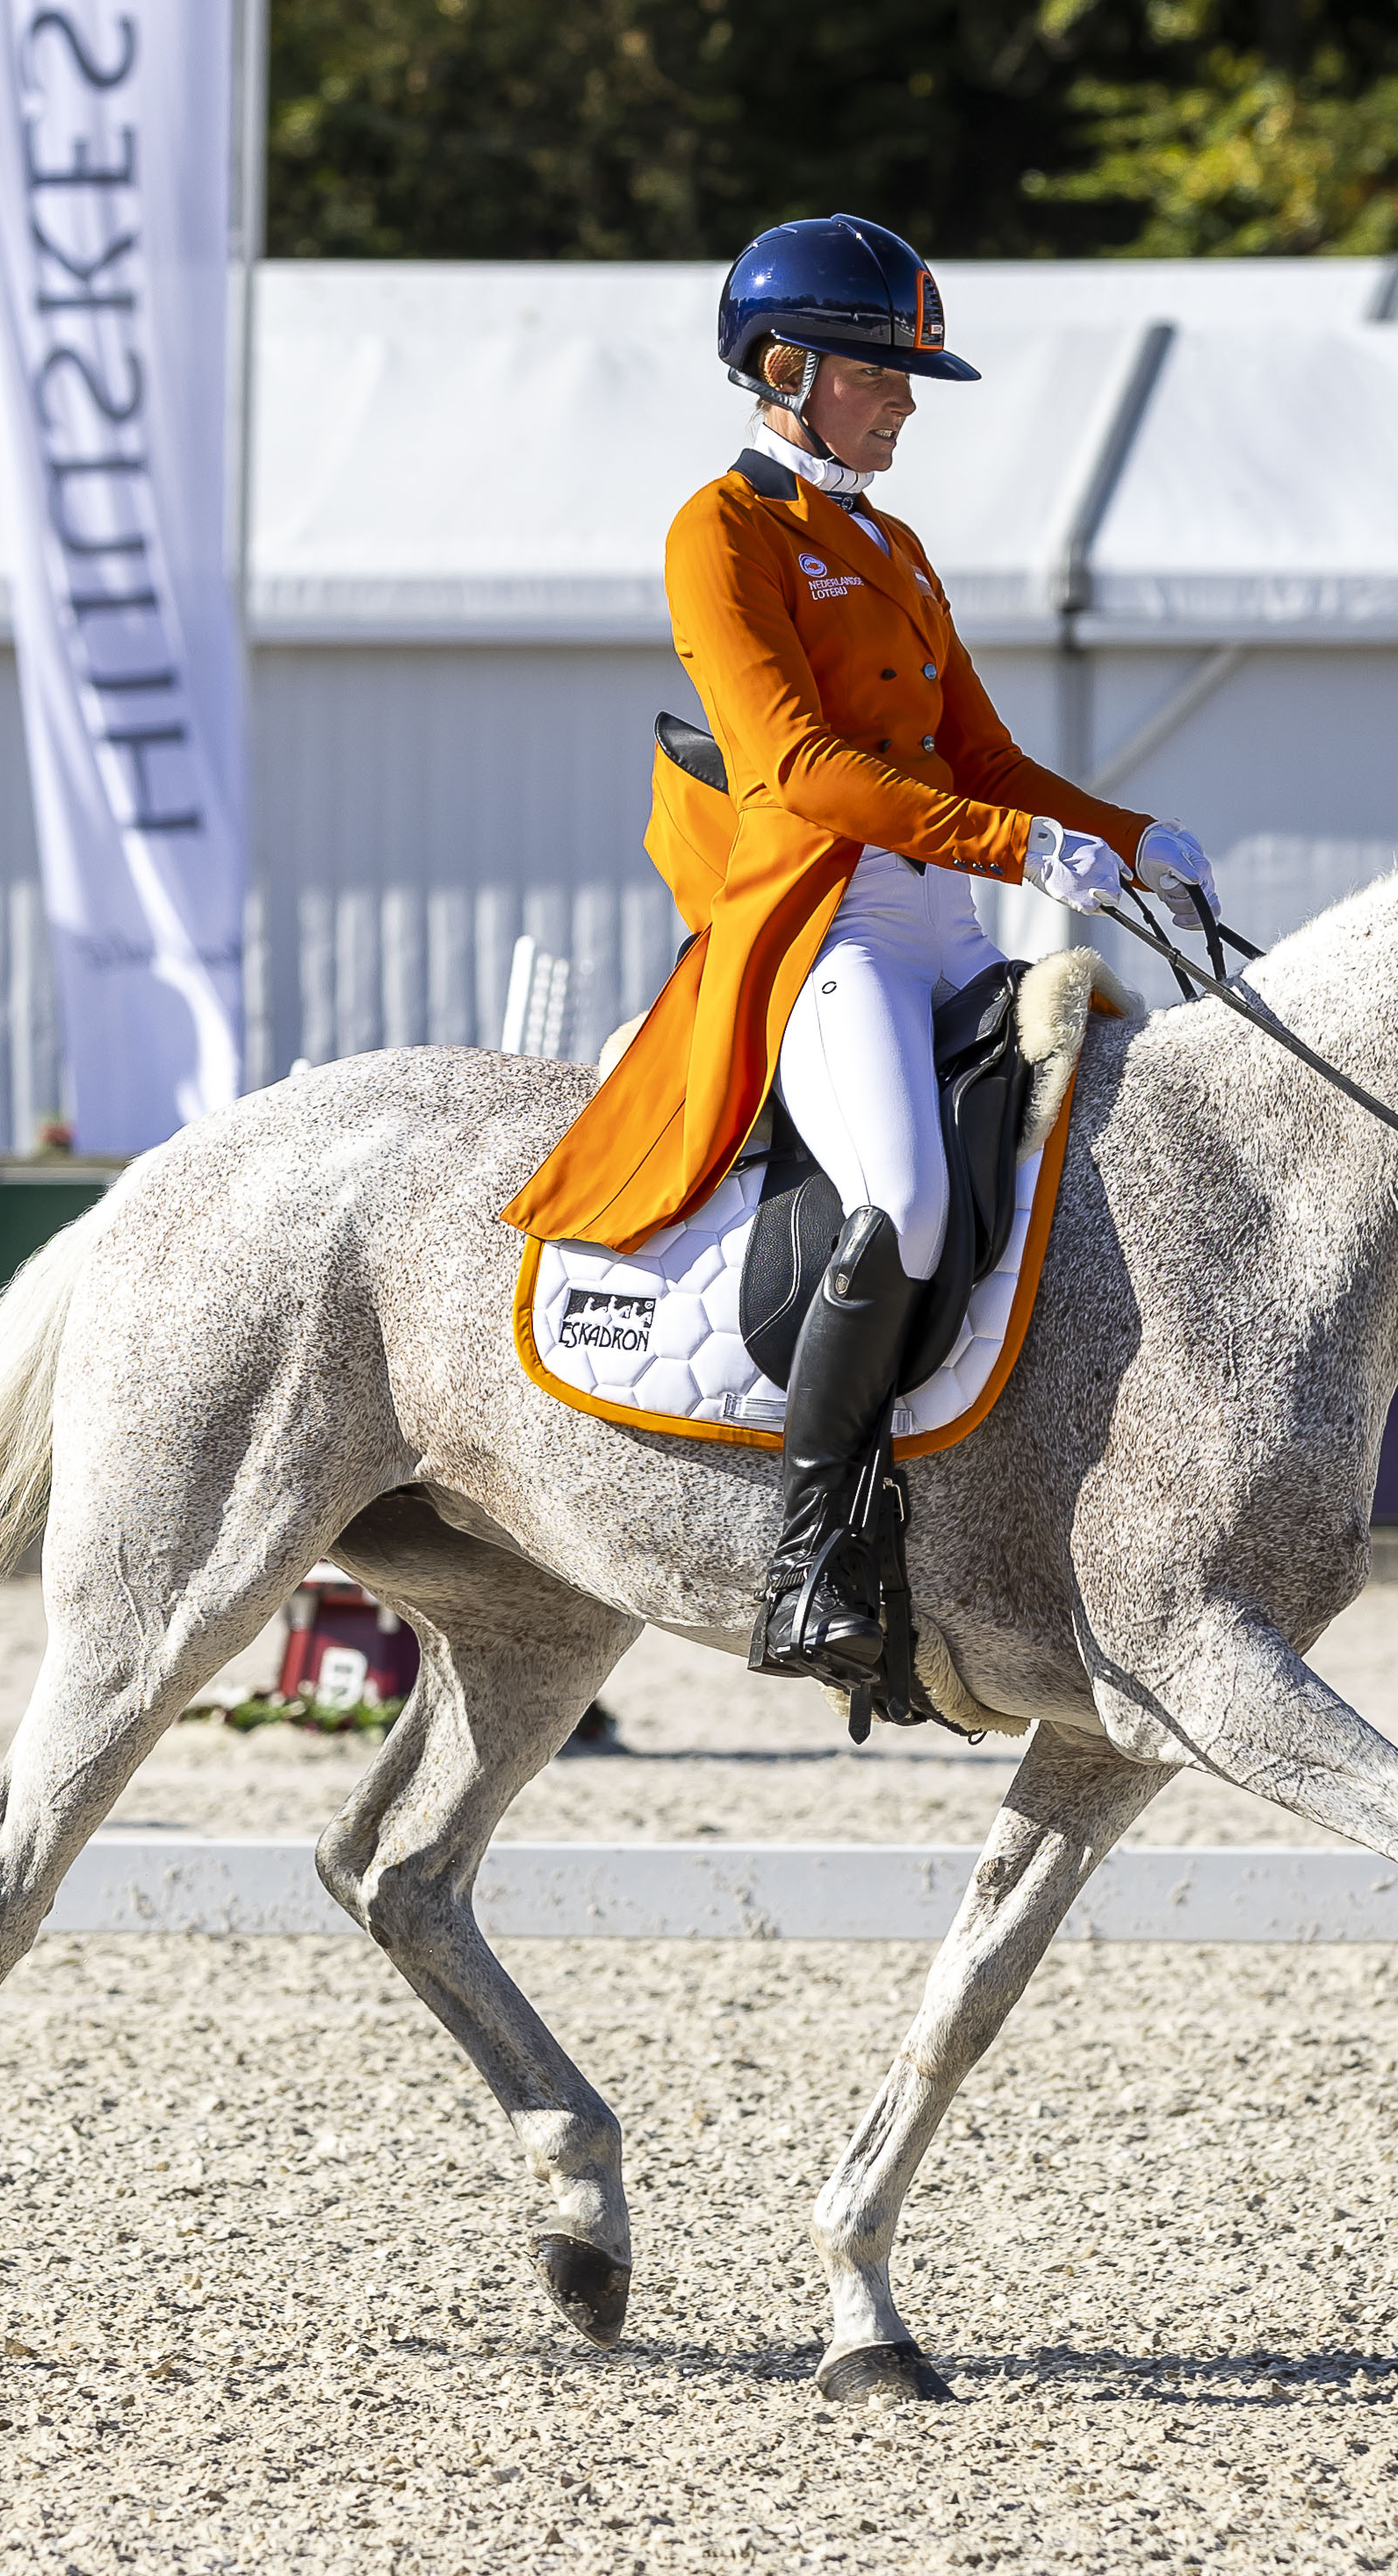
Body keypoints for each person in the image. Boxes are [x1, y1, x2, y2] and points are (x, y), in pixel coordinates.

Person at [501, 213, 1223, 1699]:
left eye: (908, 379)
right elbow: (805, 771)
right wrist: (1025, 851)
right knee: (898, 1195)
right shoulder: (723, 533)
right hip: (827, 928)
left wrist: (1130, 831)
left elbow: (983, 753)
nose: (904, 403)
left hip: (944, 919)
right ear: (785, 368)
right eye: (881, 376)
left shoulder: (893, 547)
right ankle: (814, 1552)